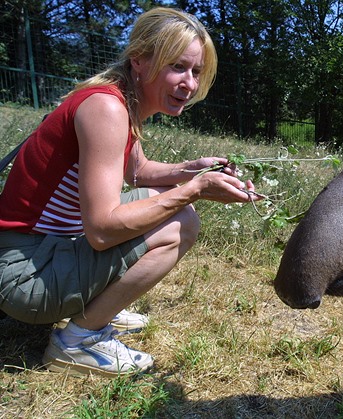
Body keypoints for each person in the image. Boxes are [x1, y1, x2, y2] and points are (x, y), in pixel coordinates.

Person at [0, 7, 261, 377]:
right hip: (24, 274)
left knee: (165, 207)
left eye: (196, 72)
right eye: (178, 67)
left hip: (39, 252)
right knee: (180, 222)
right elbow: (102, 230)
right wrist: (195, 189)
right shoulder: (106, 109)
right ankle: (77, 342)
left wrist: (193, 169)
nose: (189, 83)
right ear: (139, 60)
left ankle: (97, 304)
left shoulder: (119, 101)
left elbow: (138, 172)